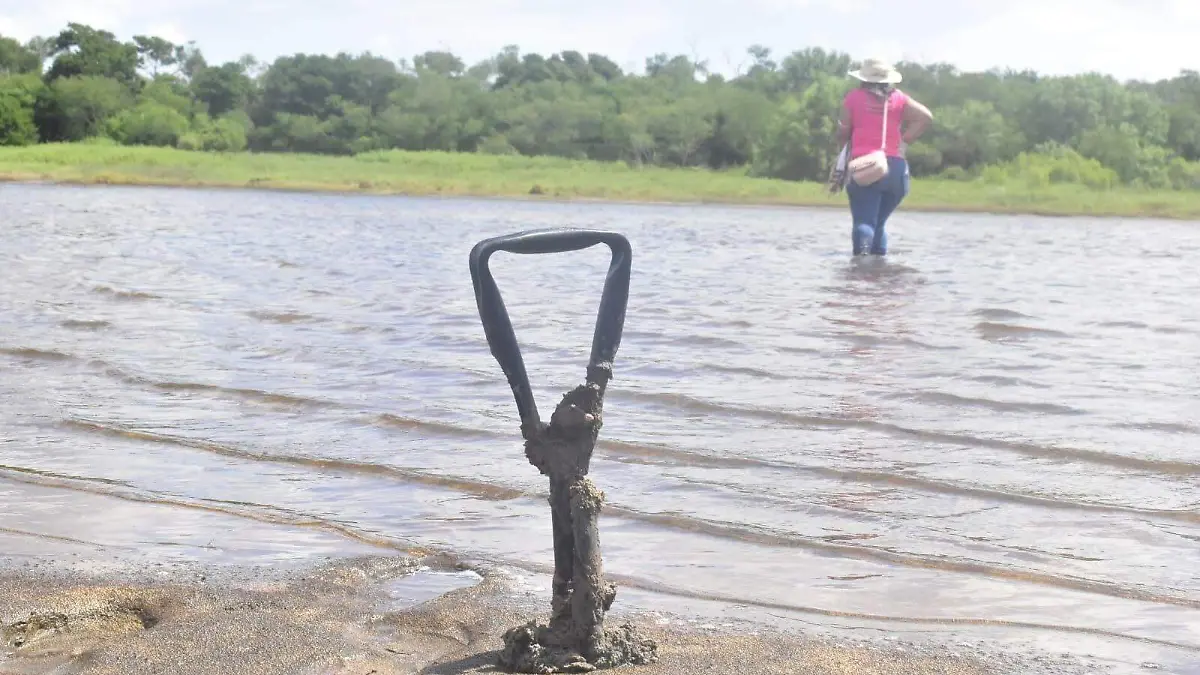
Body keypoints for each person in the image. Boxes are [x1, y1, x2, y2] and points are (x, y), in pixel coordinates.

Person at [829, 59, 933, 256]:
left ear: (864, 78)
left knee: (864, 222)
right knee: (879, 224)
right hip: (896, 169)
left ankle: (861, 270)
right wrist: (904, 142)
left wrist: (843, 150)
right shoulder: (899, 98)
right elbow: (926, 117)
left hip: (866, 166)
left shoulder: (854, 98)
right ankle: (879, 272)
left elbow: (843, 132)